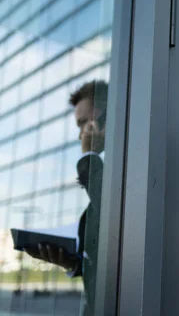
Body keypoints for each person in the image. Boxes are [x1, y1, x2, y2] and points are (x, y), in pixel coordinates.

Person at [25, 80, 107, 315]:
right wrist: (73, 264)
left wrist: (89, 155)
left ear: (107, 116)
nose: (81, 133)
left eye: (84, 123)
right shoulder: (104, 181)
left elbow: (114, 213)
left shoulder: (124, 171)